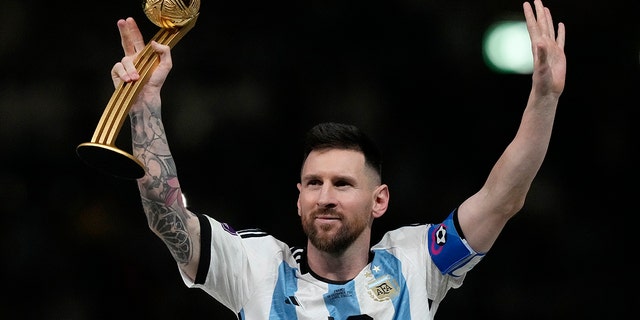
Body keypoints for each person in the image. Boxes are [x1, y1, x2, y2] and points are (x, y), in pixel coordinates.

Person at [110, 0, 565, 318]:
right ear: (298, 197)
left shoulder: (416, 261)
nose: (325, 196)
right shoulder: (255, 267)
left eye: (343, 184)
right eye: (314, 183)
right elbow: (166, 215)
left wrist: (544, 97)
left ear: (379, 200)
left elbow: (503, 196)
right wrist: (145, 107)